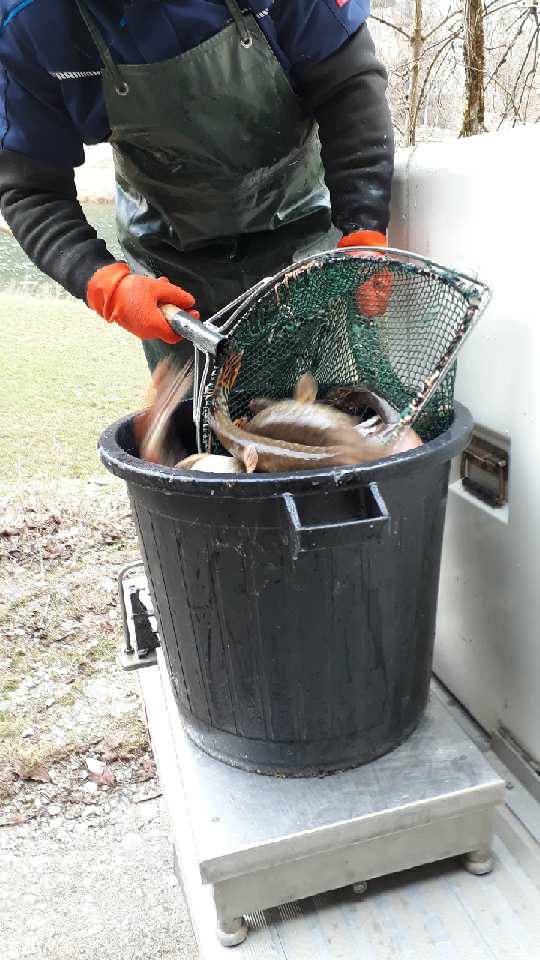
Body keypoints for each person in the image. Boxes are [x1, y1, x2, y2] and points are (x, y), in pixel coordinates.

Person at [0, 0, 393, 372]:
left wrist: (364, 226)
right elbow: (31, 187)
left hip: (306, 234)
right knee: (199, 415)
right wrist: (106, 284)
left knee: (328, 399)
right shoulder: (27, 20)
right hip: (172, 273)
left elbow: (348, 84)